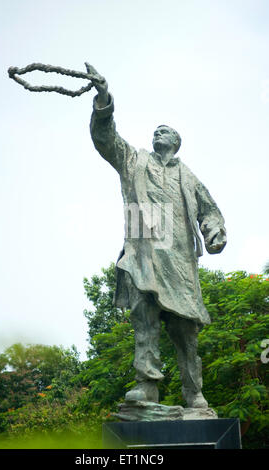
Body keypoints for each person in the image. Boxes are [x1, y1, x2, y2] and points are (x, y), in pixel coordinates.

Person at [86, 63, 227, 409]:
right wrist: (103, 101)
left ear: (176, 142)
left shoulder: (188, 177)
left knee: (185, 332)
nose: (157, 134)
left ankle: (194, 392)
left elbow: (210, 211)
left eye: (165, 131)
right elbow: (107, 141)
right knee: (144, 322)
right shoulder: (135, 160)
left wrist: (215, 231)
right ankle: (147, 385)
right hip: (144, 257)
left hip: (178, 262)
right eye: (155, 131)